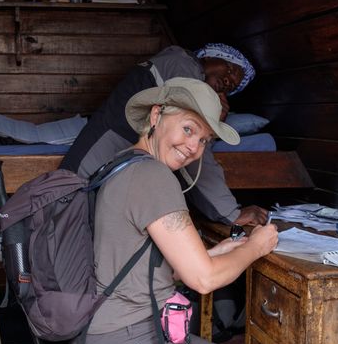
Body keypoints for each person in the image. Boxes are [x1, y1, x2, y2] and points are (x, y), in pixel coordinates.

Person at [75, 77, 280, 344]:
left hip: (118, 335)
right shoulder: (152, 177)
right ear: (156, 116)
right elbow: (203, 281)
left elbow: (140, 256)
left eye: (203, 139)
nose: (193, 146)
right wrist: (255, 246)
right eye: (188, 129)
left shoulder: (124, 164)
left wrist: (215, 251)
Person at [60, 43, 270, 226]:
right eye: (231, 68)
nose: (229, 80)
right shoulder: (182, 64)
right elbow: (197, 155)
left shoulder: (179, 68)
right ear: (208, 56)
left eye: (233, 85)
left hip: (104, 169)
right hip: (90, 170)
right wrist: (230, 213)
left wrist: (213, 120)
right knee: (66, 230)